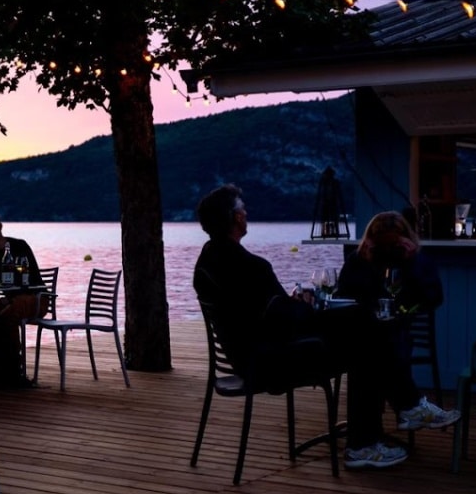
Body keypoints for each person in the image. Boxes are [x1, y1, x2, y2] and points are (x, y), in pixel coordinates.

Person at [191, 185, 458, 470]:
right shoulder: (250, 266)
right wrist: (305, 306)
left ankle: (392, 420)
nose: (246, 213)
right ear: (237, 218)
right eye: (242, 208)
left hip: (249, 355)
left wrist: (295, 306)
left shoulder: (207, 262)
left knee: (362, 330)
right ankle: (382, 428)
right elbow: (281, 319)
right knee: (364, 340)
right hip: (269, 362)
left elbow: (263, 313)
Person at [337, 210, 446, 412]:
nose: (387, 250)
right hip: (361, 330)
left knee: (372, 352)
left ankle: (368, 436)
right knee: (368, 348)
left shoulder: (415, 261)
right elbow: (343, 293)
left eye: (392, 244)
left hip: (398, 330)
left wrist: (412, 262)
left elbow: (433, 297)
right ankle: (410, 408)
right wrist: (366, 262)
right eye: (382, 244)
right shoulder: (359, 259)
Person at [0, 210, 46, 386]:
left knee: (8, 313)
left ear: (0, 225)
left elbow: (29, 278)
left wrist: (9, 297)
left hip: (36, 298)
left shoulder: (19, 246)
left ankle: (13, 370)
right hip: (8, 300)